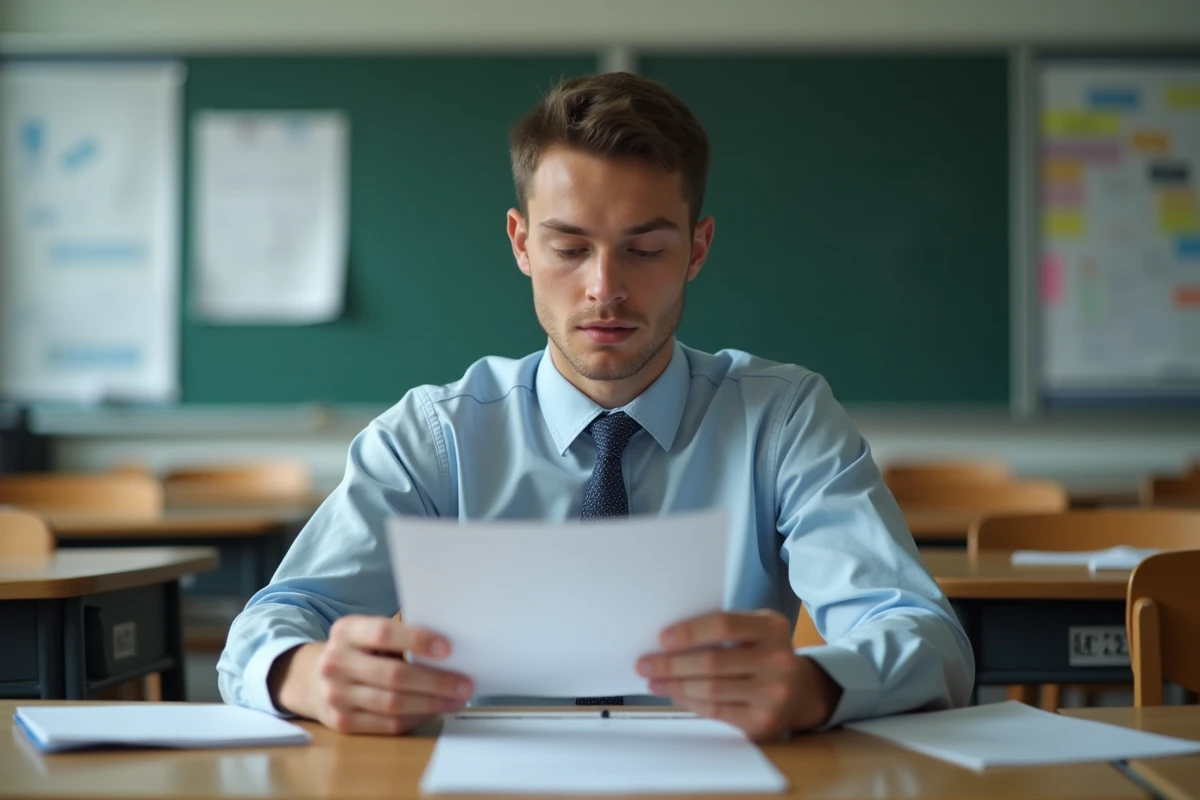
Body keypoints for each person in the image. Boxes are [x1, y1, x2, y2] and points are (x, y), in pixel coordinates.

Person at [219, 71, 973, 742]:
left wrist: (815, 686)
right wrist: (308, 675)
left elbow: (927, 639)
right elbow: (266, 628)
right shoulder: (434, 436)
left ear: (697, 250)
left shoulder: (784, 421)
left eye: (644, 250)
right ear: (520, 243)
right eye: (569, 247)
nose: (604, 288)